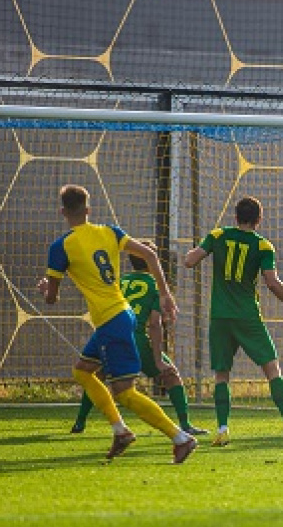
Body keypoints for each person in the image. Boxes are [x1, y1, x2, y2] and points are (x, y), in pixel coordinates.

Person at [37, 184, 197, 464]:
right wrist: (165, 293)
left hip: (112, 321)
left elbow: (51, 299)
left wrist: (45, 287)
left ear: (62, 211)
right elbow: (149, 254)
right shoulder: (110, 231)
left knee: (125, 391)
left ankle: (180, 438)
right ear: (88, 209)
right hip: (119, 316)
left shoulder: (60, 247)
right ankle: (120, 430)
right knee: (83, 371)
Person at [184, 196, 283, 448]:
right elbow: (272, 283)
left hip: (220, 316)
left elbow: (190, 261)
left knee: (222, 374)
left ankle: (222, 429)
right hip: (247, 315)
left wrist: (201, 249)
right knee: (272, 369)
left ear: (235, 217)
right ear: (259, 219)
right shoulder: (263, 246)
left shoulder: (218, 235)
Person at [70, 240, 207, 437]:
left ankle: (79, 423)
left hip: (107, 335)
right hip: (135, 340)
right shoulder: (155, 285)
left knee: (96, 375)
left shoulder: (120, 281)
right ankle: (185, 425)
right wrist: (158, 359)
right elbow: (154, 324)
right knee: (171, 375)